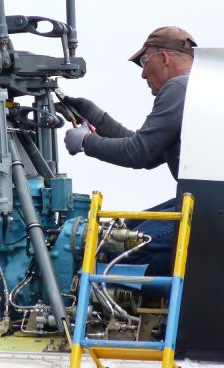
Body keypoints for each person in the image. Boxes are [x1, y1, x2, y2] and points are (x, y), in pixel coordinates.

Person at [60, 26, 196, 275]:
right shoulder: (197, 86)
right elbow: (151, 150)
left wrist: (85, 142)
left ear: (164, 58)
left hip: (204, 207)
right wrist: (97, 117)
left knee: (123, 250)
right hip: (203, 201)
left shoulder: (179, 88)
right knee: (124, 229)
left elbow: (139, 152)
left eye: (145, 62)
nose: (143, 74)